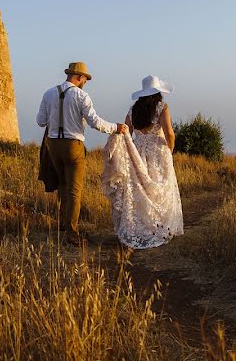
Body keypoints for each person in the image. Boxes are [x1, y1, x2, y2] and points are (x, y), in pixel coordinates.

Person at [37, 62, 128, 245]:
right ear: (79, 77)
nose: (85, 82)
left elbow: (40, 121)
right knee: (75, 190)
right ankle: (71, 234)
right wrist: (115, 128)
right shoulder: (81, 95)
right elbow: (95, 122)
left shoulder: (48, 93)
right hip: (73, 145)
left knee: (62, 184)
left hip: (53, 145)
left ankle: (63, 224)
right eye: (85, 79)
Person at [101, 75, 183, 249]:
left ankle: (142, 227)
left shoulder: (133, 110)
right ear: (158, 92)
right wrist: (170, 150)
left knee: (140, 189)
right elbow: (169, 133)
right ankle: (159, 225)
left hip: (137, 152)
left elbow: (126, 134)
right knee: (160, 190)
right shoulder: (162, 107)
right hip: (158, 151)